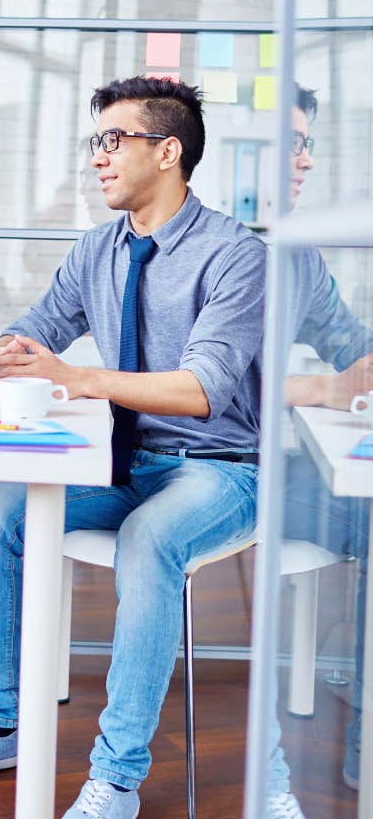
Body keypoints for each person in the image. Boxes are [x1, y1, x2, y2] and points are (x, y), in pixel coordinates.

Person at [0, 75, 284, 817]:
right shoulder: (98, 250)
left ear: (168, 151)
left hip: (220, 472)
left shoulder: (237, 257)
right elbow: (34, 335)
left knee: (147, 542)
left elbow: (202, 390)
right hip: (126, 464)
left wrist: (76, 378)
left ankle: (116, 778)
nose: (99, 159)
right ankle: (0, 723)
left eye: (114, 140)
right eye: (95, 143)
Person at [266, 83, 373, 811]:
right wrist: (323, 393)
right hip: (203, 472)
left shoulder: (298, 256)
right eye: (288, 143)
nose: (302, 161)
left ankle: (367, 711)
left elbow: (350, 345)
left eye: (307, 144)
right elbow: (188, 379)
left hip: (274, 471)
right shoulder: (188, 240)